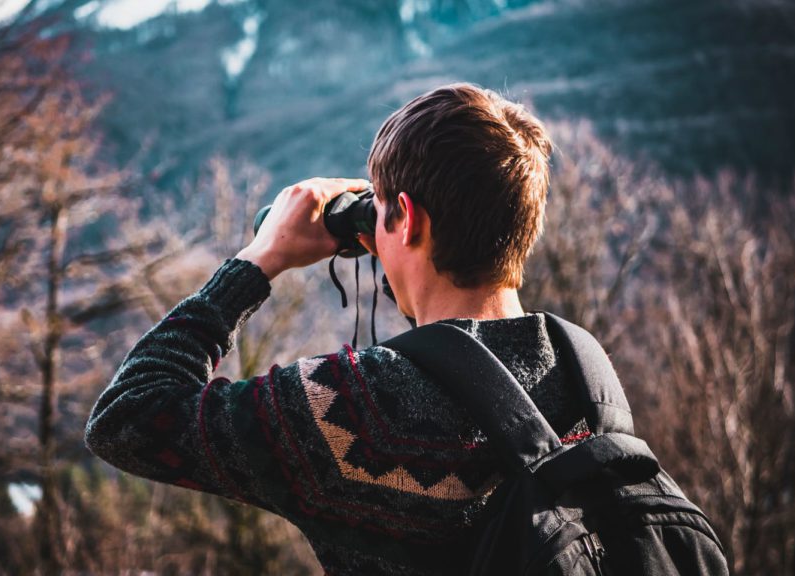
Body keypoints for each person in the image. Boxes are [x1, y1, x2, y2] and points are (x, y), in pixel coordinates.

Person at [84, 83, 587, 575]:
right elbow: (461, 358)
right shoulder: (584, 378)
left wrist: (258, 260)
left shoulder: (356, 416)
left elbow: (127, 418)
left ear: (407, 219)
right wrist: (400, 244)